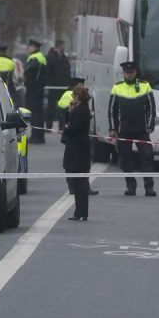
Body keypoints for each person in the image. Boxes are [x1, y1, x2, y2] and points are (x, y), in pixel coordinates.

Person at [108, 60, 156, 196]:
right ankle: (131, 186)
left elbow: (151, 108)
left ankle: (149, 186)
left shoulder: (145, 86)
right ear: (123, 73)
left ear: (136, 72)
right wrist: (112, 128)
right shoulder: (117, 87)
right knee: (125, 160)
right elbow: (112, 110)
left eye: (132, 72)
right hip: (124, 130)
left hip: (142, 131)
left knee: (147, 156)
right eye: (127, 73)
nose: (129, 75)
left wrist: (150, 125)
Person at [62, 84, 93, 221]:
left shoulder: (81, 111)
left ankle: (80, 212)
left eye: (73, 95)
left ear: (77, 96)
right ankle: (80, 212)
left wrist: (67, 126)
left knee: (80, 183)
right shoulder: (80, 109)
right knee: (79, 182)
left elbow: (73, 128)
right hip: (78, 149)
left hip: (78, 150)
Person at [24, 39, 47, 143]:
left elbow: (30, 73)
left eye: (29, 46)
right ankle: (40, 136)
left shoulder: (34, 58)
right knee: (39, 113)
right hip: (39, 89)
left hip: (33, 90)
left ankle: (35, 137)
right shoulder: (41, 57)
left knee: (34, 114)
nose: (28, 49)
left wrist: (26, 81)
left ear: (34, 47)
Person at [46, 39, 72, 131]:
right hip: (53, 86)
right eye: (62, 46)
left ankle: (62, 125)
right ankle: (49, 125)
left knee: (62, 106)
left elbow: (67, 71)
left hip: (63, 87)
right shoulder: (50, 57)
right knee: (51, 107)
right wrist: (50, 82)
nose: (63, 48)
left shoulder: (64, 58)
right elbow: (48, 71)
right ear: (58, 46)